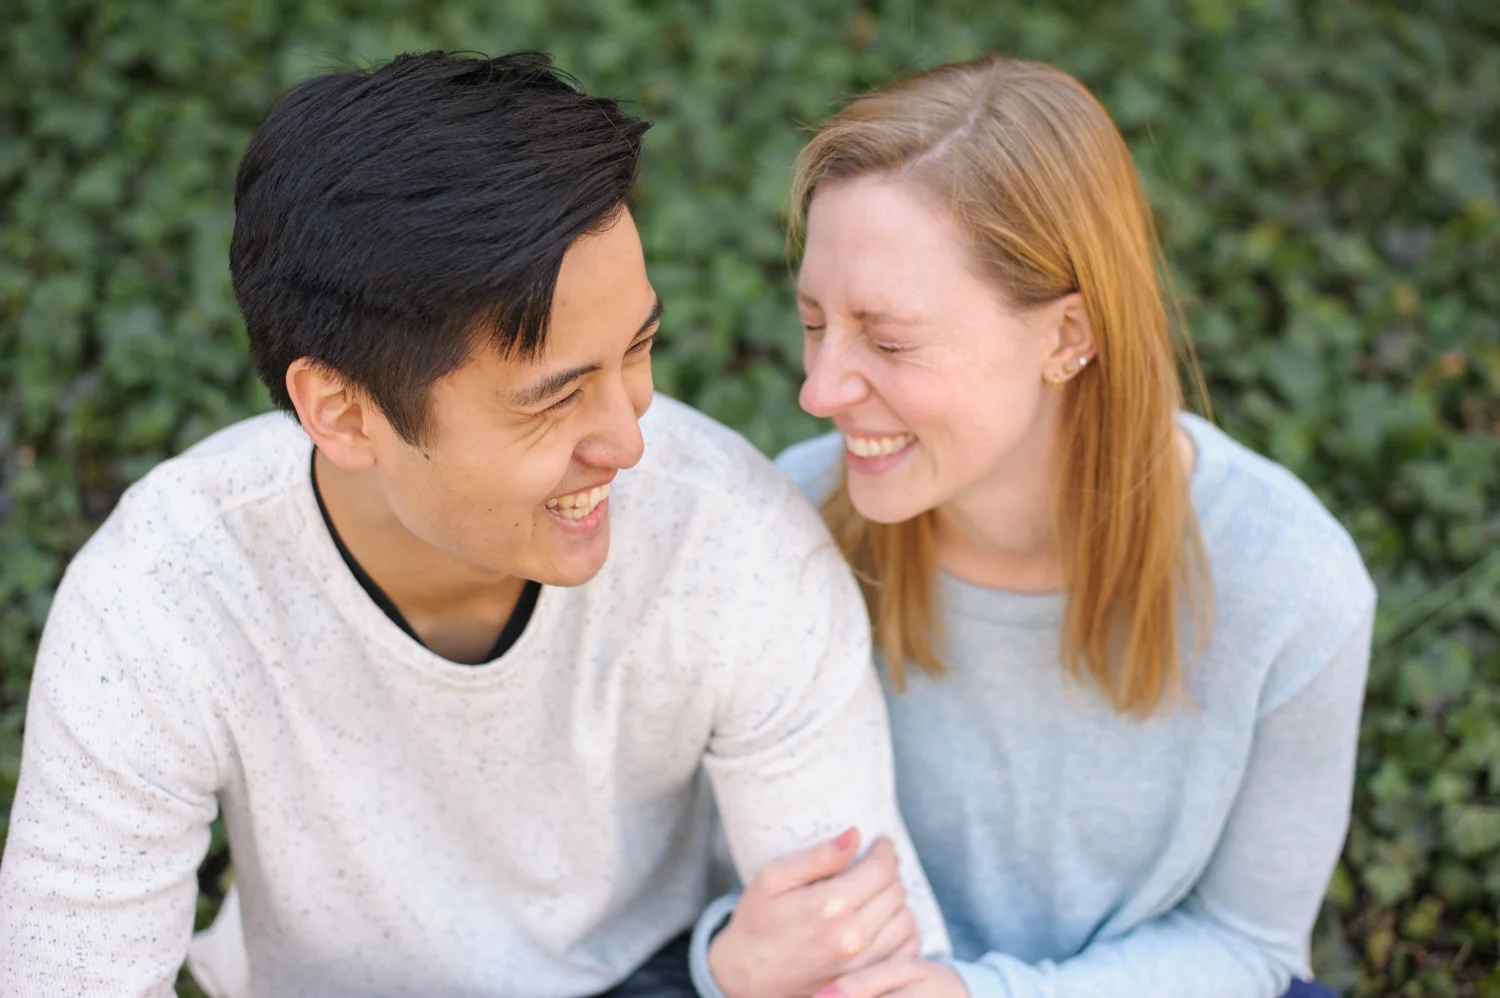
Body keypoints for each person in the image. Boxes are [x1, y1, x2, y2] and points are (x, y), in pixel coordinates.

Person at [0, 51, 951, 997]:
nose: (629, 440)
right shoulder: (164, 603)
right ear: (341, 411)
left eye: (637, 350)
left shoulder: (732, 543)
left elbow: (870, 966)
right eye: (556, 397)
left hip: (660, 970)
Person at [693, 55, 1374, 998]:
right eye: (815, 321)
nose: (818, 390)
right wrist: (726, 958)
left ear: (1067, 337)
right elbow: (721, 881)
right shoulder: (786, 531)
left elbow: (1250, 946)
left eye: (889, 340)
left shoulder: (1290, 583)